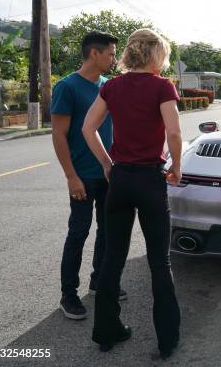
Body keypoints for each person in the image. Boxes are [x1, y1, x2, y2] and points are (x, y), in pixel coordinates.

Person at [82, 28, 182, 359]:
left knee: (112, 259)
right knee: (159, 261)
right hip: (151, 181)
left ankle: (106, 332)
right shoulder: (162, 86)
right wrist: (176, 167)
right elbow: (174, 131)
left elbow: (88, 128)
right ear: (155, 54)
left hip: (121, 181)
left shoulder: (112, 86)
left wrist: (108, 165)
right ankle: (166, 340)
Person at [51, 31, 127, 321]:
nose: (113, 59)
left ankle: (99, 281)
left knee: (108, 231)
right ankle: (68, 295)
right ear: (94, 54)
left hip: (109, 172)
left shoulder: (109, 86)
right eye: (110, 53)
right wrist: (71, 176)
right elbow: (58, 134)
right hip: (82, 175)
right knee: (78, 232)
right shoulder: (67, 87)